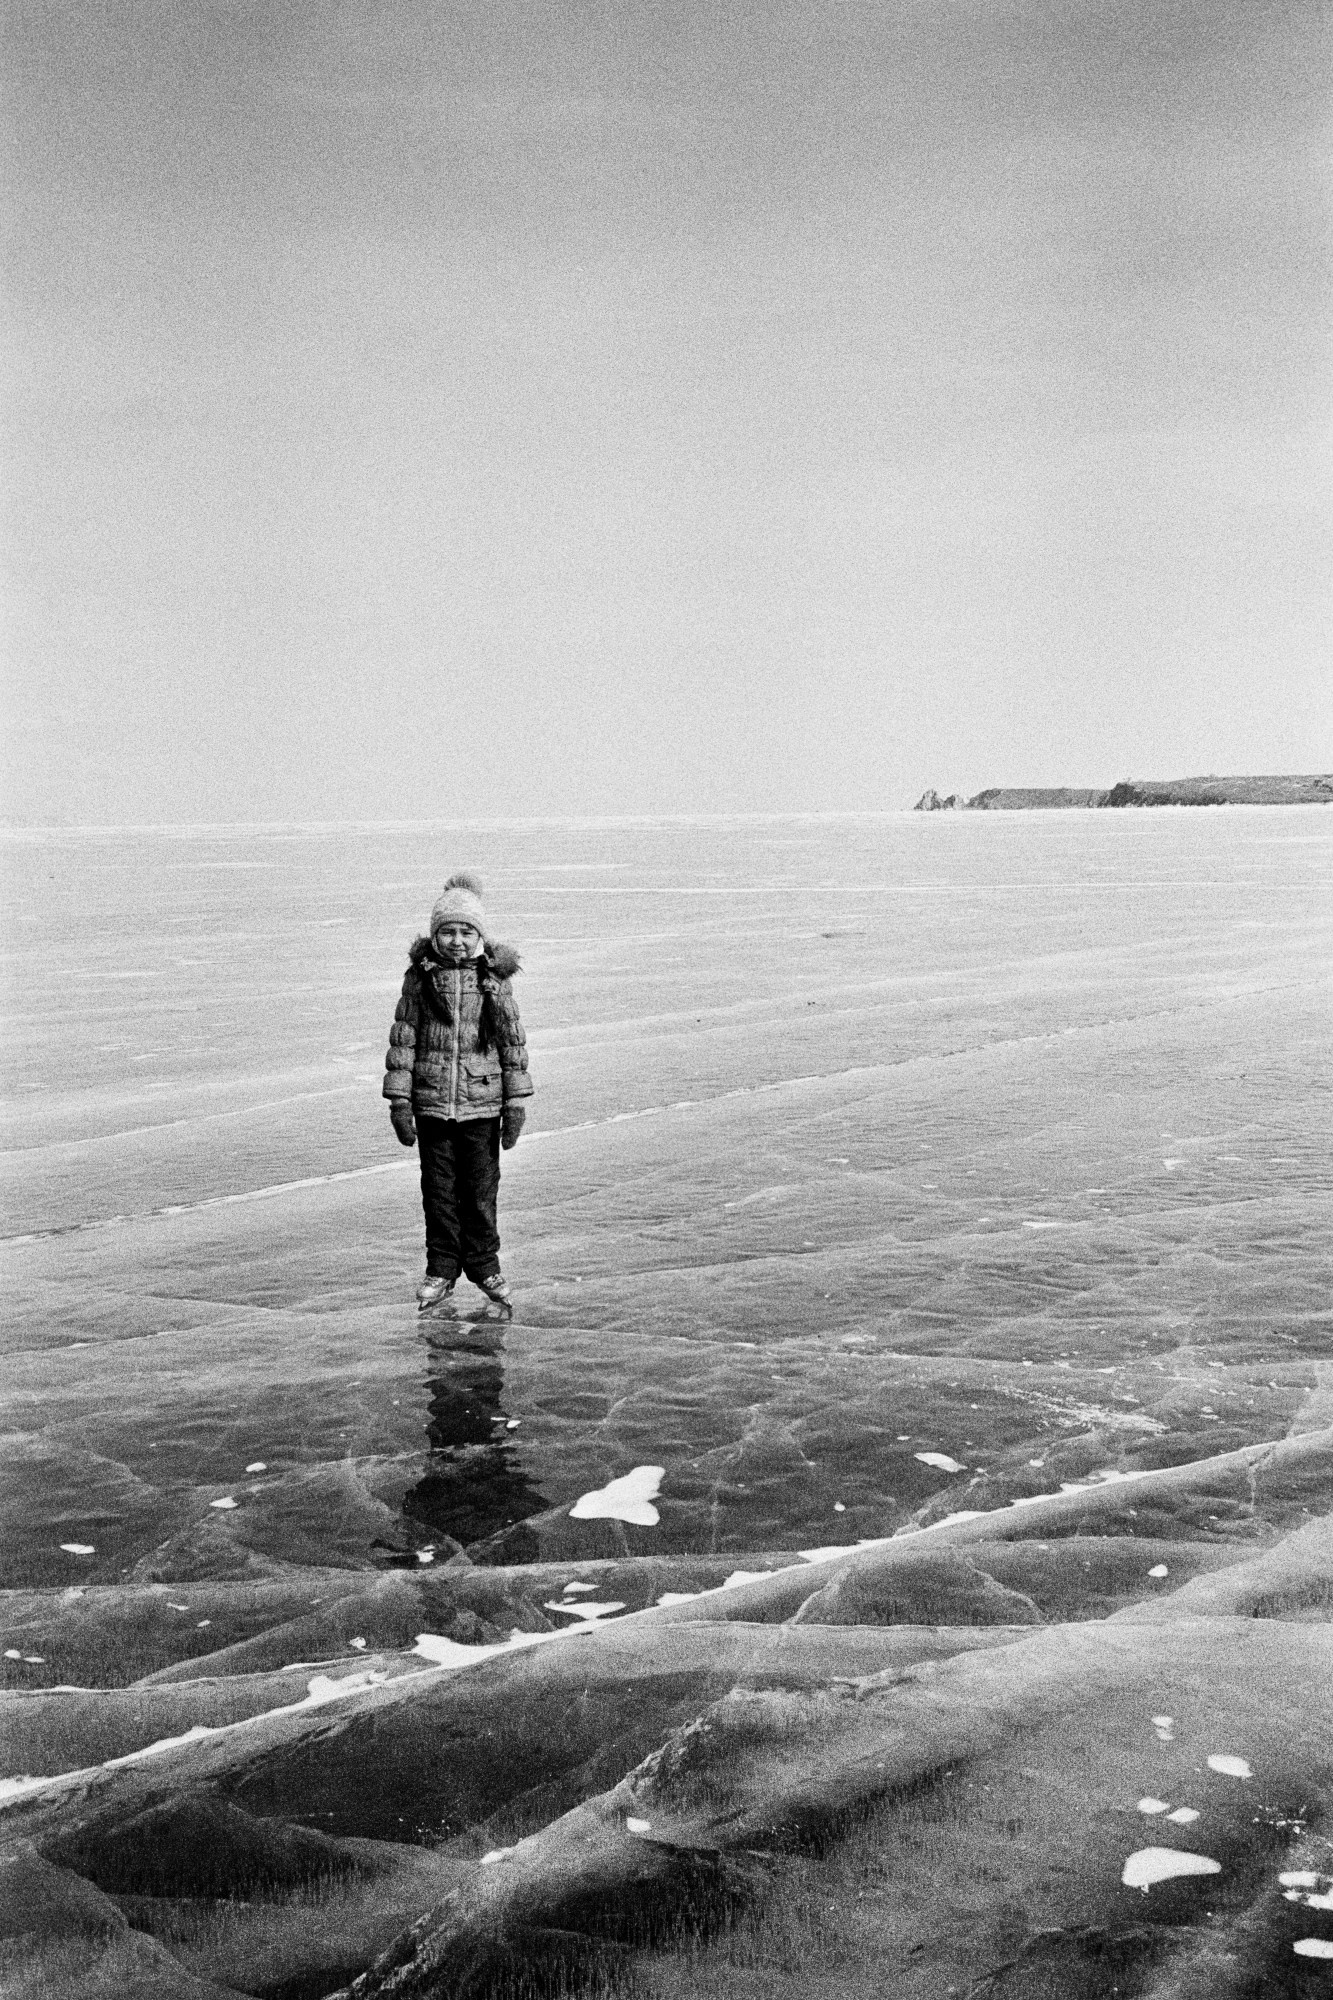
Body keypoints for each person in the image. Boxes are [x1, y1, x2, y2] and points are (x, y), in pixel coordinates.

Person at [383, 872, 533, 1317]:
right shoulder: (419, 979)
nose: (457, 940)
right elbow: (403, 1038)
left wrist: (516, 1101)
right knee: (438, 1191)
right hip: (431, 1104)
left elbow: (512, 1041)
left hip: (482, 1104)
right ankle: (442, 1268)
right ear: (434, 936)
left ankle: (485, 1265)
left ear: (480, 936)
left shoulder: (494, 980)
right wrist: (400, 1100)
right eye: (447, 931)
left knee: (481, 1191)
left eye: (467, 931)